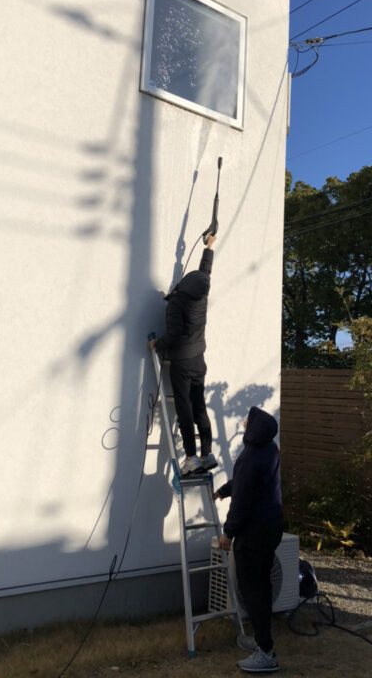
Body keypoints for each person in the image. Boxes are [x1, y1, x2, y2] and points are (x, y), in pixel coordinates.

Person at [215, 406, 284, 673]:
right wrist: (224, 490)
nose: (244, 423)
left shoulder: (251, 456)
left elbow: (243, 499)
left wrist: (228, 532)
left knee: (252, 591)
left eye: (247, 420)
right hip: (270, 529)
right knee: (262, 587)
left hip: (253, 534)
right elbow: (246, 483)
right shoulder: (269, 451)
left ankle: (266, 653)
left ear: (254, 427)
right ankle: (260, 640)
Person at [148, 235, 217, 476]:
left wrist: (157, 344)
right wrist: (209, 247)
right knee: (199, 405)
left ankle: (191, 457)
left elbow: (175, 334)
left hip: (183, 363)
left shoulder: (176, 303)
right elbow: (205, 273)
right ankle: (207, 454)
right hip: (199, 360)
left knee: (185, 408)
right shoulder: (202, 296)